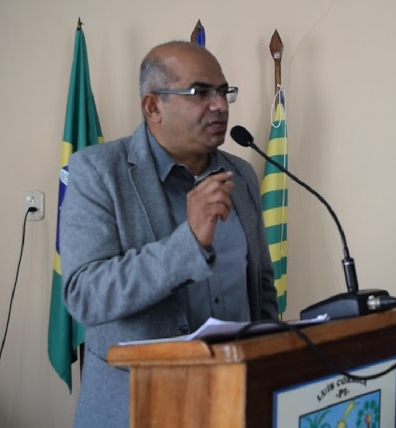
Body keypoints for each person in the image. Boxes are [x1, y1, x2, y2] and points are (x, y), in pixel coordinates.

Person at [60, 40, 278, 428]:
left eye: (223, 91)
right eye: (200, 92)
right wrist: (187, 244)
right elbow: (84, 294)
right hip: (142, 406)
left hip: (236, 400)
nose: (220, 105)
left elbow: (260, 285)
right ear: (153, 107)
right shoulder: (98, 172)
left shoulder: (240, 175)